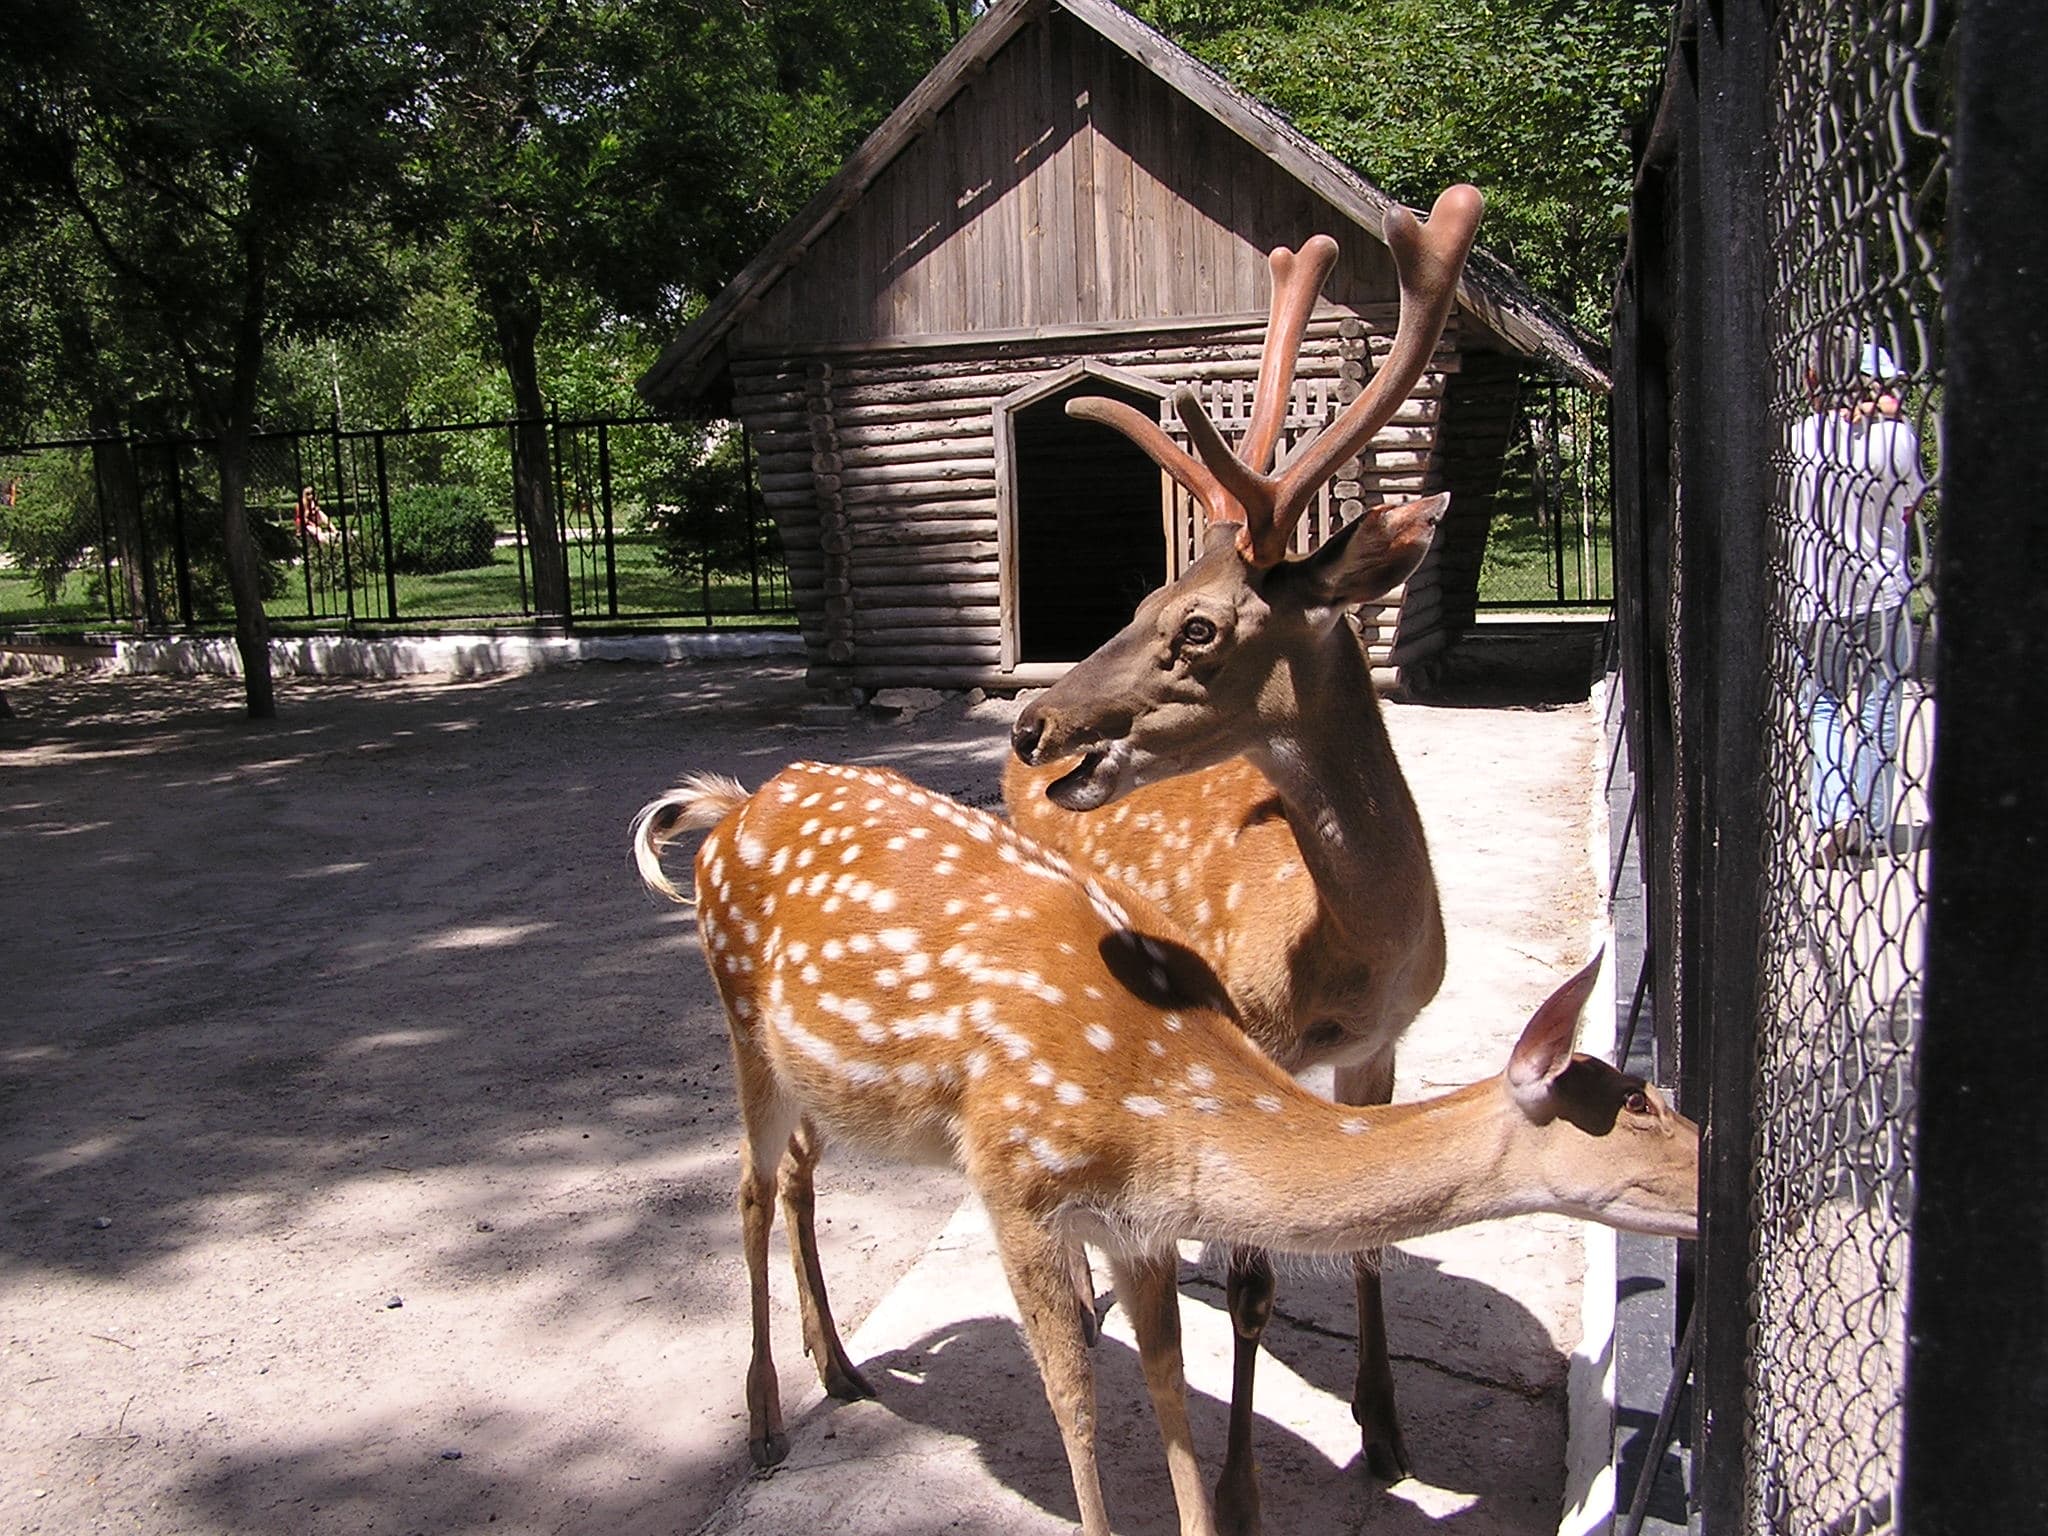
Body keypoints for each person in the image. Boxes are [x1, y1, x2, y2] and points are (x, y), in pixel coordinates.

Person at [1788, 338, 1928, 868]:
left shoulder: (1799, 438)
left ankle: (1831, 814)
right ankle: (1870, 826)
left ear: (1810, 382)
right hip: (1883, 591)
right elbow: (1910, 509)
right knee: (1879, 702)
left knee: (1821, 701)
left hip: (1816, 593)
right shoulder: (1898, 440)